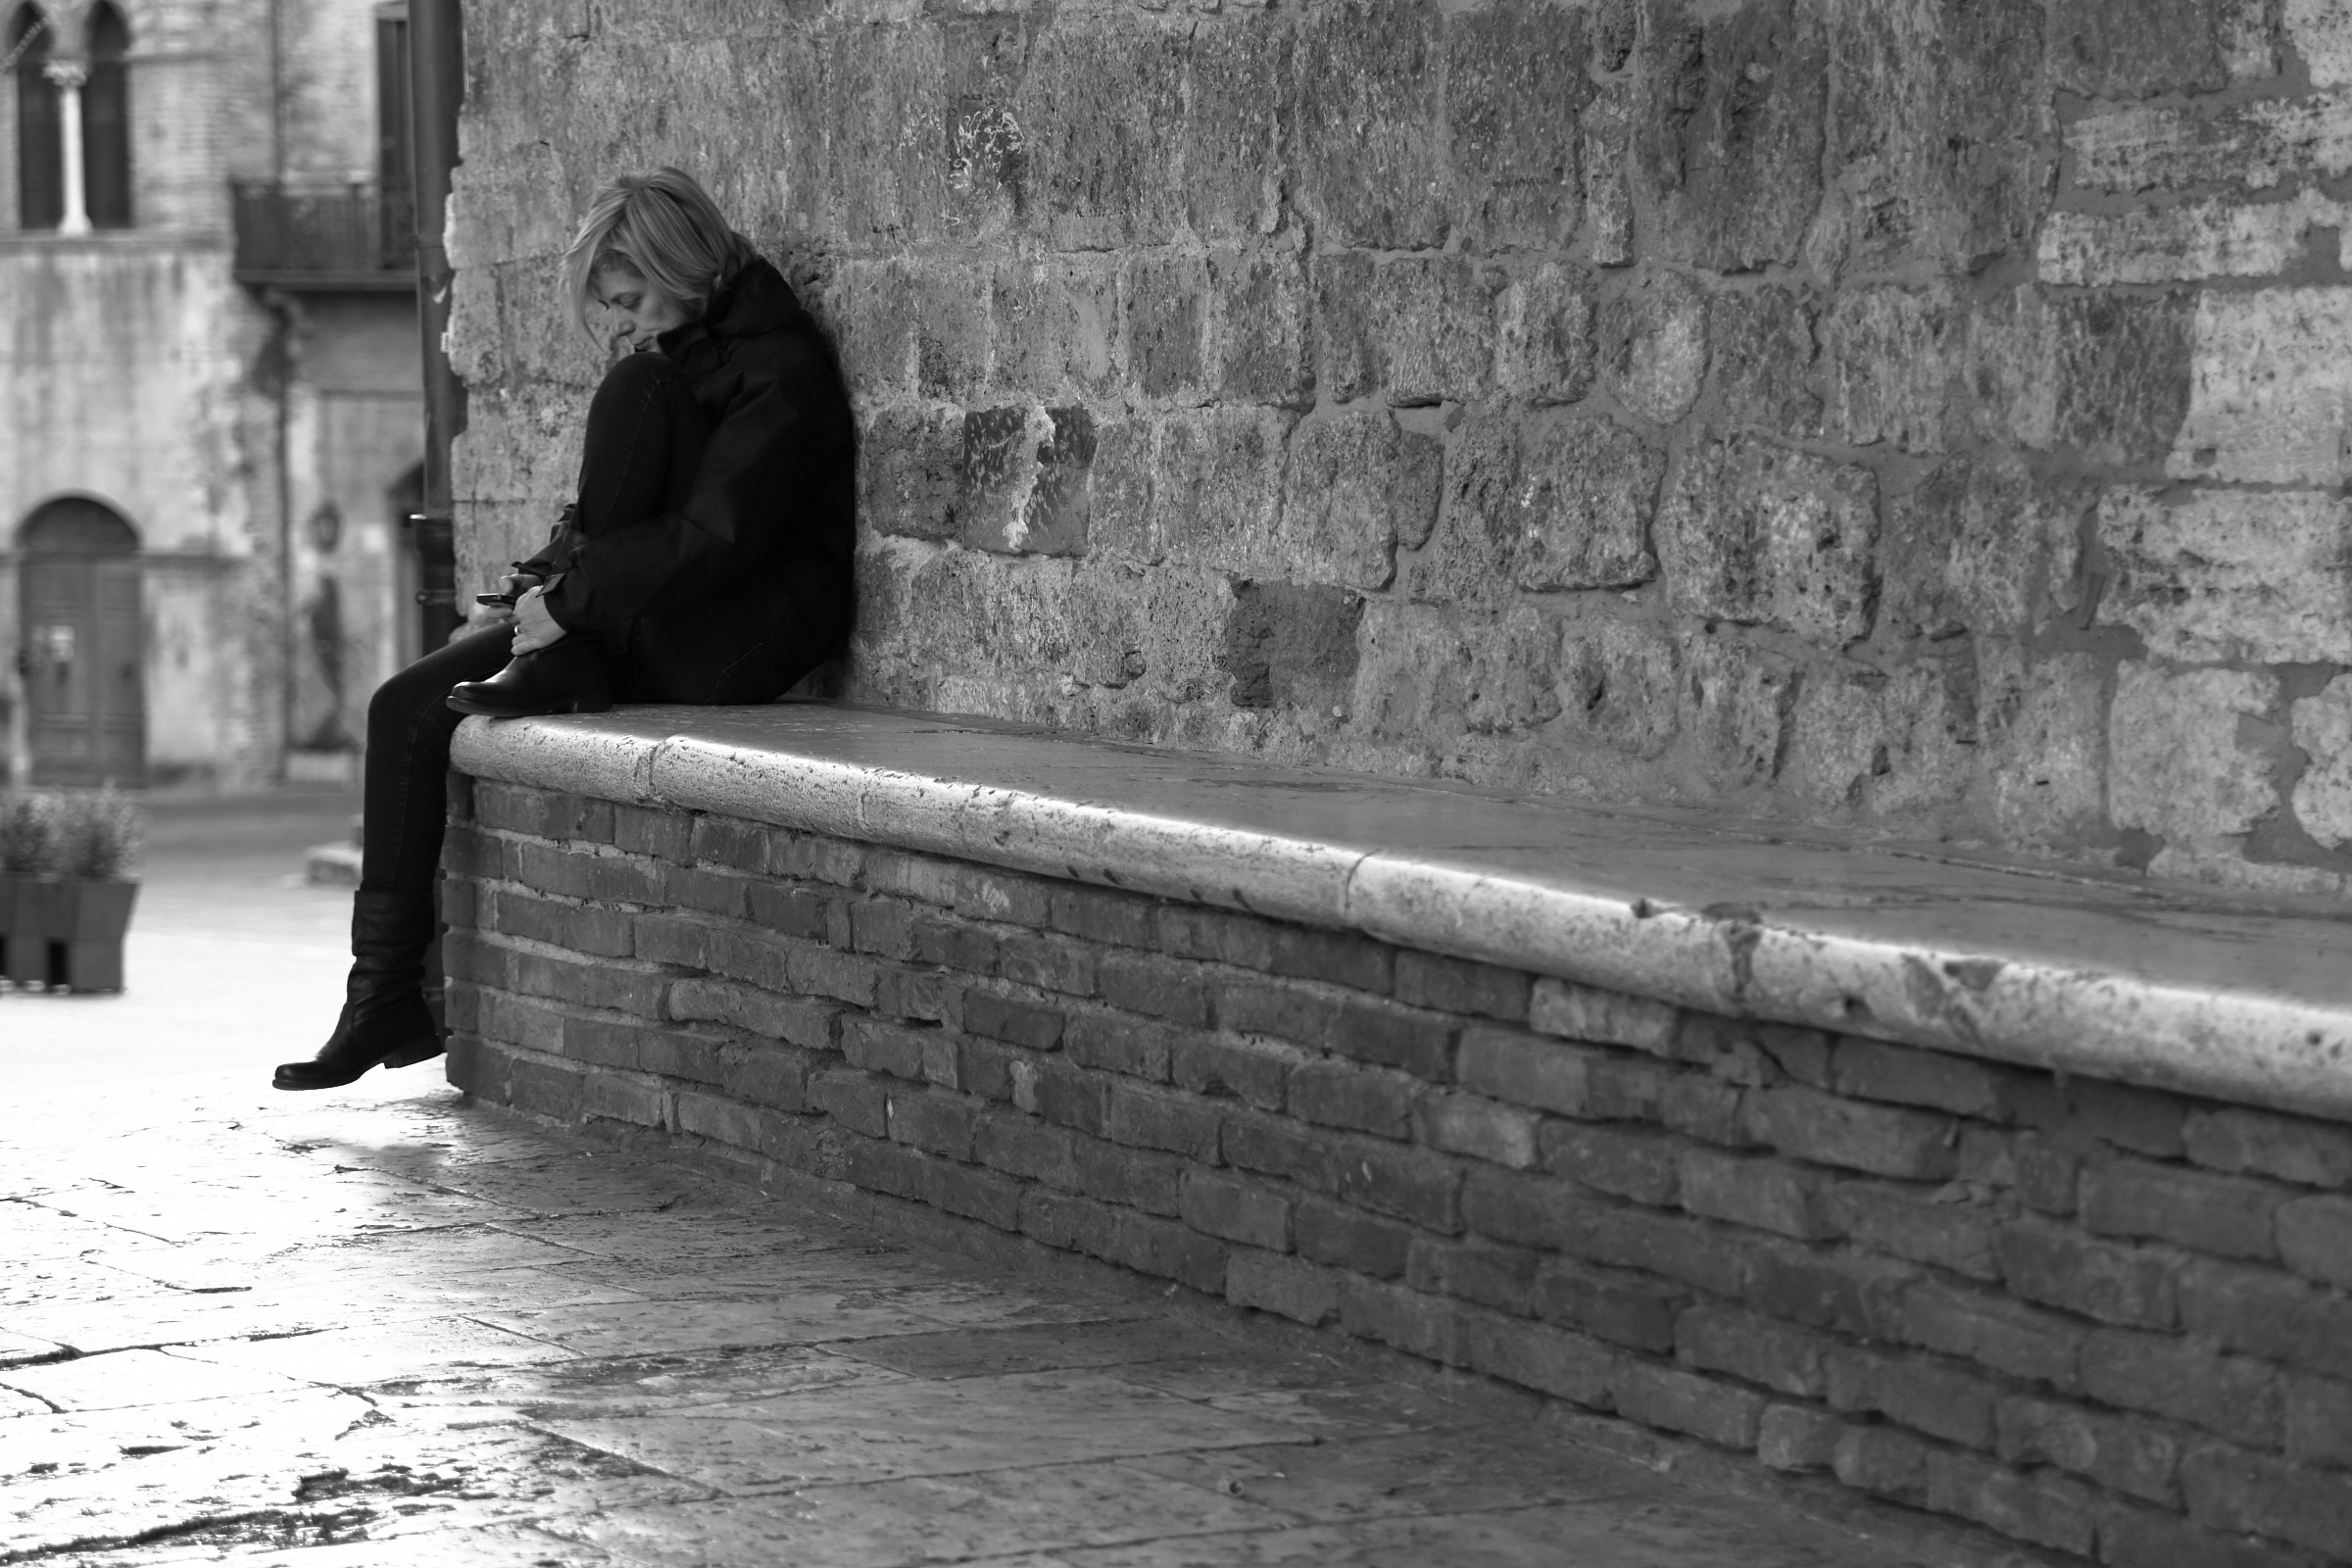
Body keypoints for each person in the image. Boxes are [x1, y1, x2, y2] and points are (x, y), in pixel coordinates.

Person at [274, 168, 855, 1092]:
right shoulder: (681, 358)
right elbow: (616, 517)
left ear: (679, 262)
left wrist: (571, 603)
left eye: (627, 297)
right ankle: (380, 994)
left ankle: (566, 652)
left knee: (634, 386)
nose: (621, 321)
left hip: (744, 630)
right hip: (647, 617)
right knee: (404, 706)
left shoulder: (779, 368)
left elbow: (714, 537)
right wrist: (535, 591)